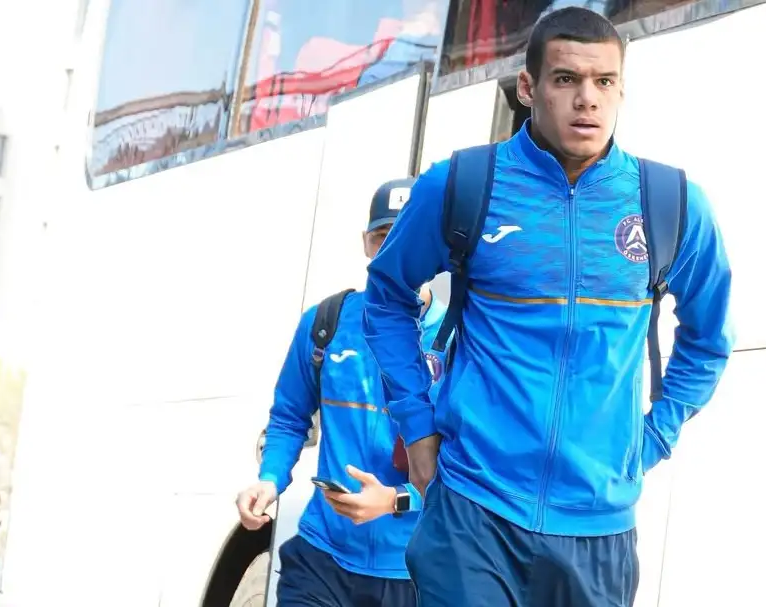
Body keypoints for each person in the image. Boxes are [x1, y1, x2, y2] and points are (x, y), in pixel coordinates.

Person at [363, 6, 734, 606]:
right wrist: (418, 425)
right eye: (566, 79)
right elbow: (386, 298)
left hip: (598, 529)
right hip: (474, 511)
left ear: (621, 89)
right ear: (528, 87)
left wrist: (654, 438)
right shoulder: (462, 184)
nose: (587, 99)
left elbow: (710, 338)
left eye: (604, 81)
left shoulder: (671, 203)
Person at [235, 177, 449, 607]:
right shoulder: (325, 323)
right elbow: (289, 417)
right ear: (366, 244)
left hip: (413, 571)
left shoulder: (459, 338)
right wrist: (270, 479)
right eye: (381, 236)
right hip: (321, 559)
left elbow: (475, 459)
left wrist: (397, 500)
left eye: (407, 235)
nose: (393, 249)